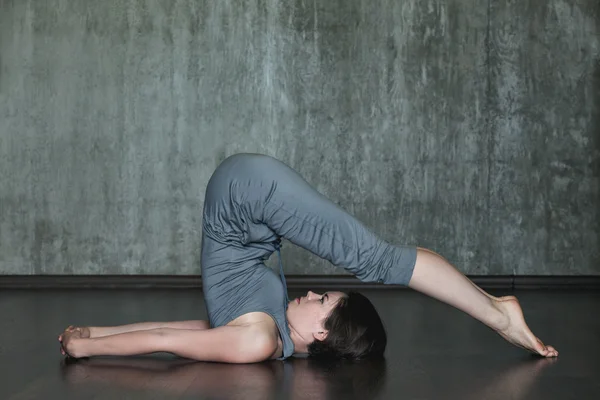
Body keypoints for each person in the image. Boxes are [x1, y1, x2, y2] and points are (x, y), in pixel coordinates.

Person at [58, 153, 558, 362]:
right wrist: (91, 339)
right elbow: (185, 332)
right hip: (251, 204)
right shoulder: (266, 335)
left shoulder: (258, 341)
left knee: (377, 260)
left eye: (321, 298)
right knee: (375, 259)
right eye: (322, 292)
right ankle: (496, 310)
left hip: (246, 199)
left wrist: (91, 342)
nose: (311, 291)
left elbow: (175, 334)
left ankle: (498, 312)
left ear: (321, 333)